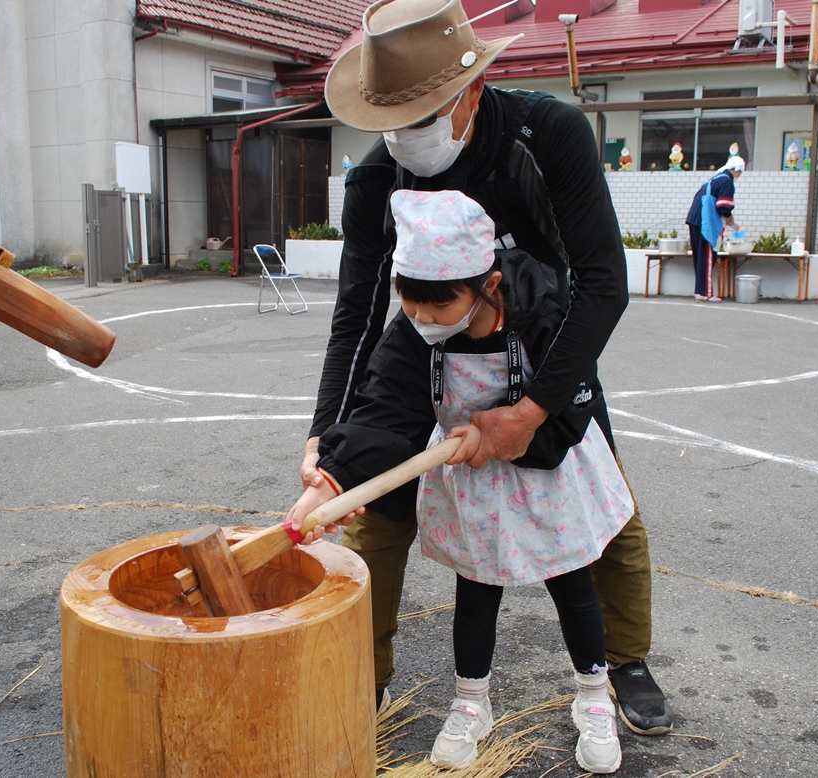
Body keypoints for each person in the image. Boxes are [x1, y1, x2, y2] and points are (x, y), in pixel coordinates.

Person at [302, 0, 674, 735]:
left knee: (600, 499)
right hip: (427, 346)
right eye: (392, 122)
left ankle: (624, 660)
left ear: (472, 89)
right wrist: (327, 437)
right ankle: (362, 676)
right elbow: (359, 313)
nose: (407, 138)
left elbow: (602, 281)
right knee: (376, 514)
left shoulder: (547, 135)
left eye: (423, 116)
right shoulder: (375, 181)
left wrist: (535, 410)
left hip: (543, 334)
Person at [290, 190, 631, 773]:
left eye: (439, 306)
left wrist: (499, 435)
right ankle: (471, 701)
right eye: (410, 302)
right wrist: (332, 480)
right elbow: (383, 409)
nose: (423, 319)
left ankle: (594, 696)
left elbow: (572, 407)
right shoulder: (415, 330)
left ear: (489, 286)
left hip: (550, 475)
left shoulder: (544, 310)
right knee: (475, 592)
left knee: (573, 585)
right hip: (475, 488)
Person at [685, 155, 744, 303]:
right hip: (705, 221)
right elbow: (723, 205)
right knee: (707, 257)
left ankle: (700, 291)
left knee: (700, 257)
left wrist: (731, 221)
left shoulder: (714, 179)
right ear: (737, 170)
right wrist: (730, 219)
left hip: (694, 219)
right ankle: (706, 293)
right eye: (740, 172)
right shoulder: (727, 181)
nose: (739, 175)